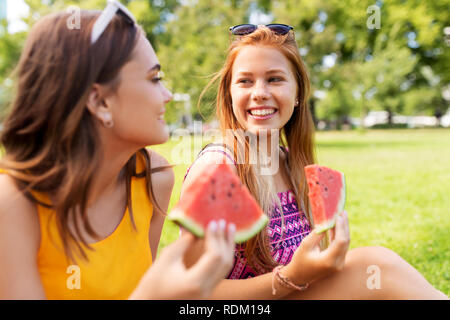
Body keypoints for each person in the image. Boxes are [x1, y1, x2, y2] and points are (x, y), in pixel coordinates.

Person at [181, 24, 448, 299]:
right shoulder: (216, 168)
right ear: (229, 93)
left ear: (297, 94)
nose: (259, 92)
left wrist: (320, 263)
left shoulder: (291, 163)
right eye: (245, 81)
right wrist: (291, 277)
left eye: (274, 79)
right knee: (377, 266)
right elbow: (190, 292)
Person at [0, 1, 236, 300]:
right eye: (154, 79)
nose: (166, 96)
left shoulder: (155, 178)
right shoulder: (13, 202)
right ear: (100, 102)